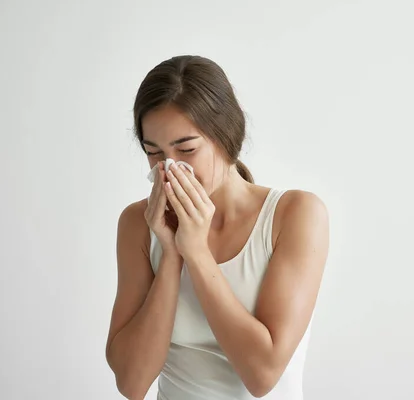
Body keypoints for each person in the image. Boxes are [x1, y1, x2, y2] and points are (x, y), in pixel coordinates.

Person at [105, 55, 329, 400]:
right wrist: (170, 255)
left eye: (187, 149)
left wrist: (195, 252)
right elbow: (132, 384)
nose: (170, 169)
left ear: (225, 135)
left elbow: (262, 376)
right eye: (154, 152)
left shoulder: (295, 214)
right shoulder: (138, 223)